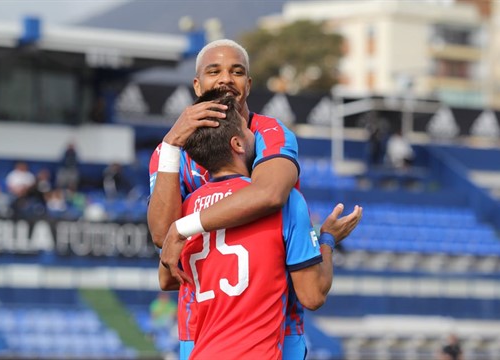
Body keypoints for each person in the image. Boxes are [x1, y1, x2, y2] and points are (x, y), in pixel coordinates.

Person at [149, 39, 362, 359]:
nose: (225, 78)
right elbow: (160, 239)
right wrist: (327, 239)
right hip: (209, 328)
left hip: (268, 328)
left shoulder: (269, 133)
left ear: (248, 84)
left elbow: (270, 193)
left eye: (236, 71)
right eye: (214, 71)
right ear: (197, 84)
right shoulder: (170, 152)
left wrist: (182, 227)